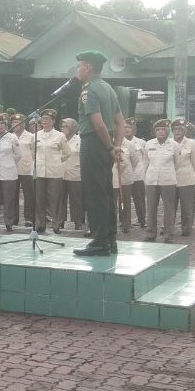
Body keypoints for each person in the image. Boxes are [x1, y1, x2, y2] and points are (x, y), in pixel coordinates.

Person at [73, 50, 126, 256]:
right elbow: (120, 122)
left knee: (95, 194)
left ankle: (99, 241)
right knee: (105, 193)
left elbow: (98, 124)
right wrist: (116, 146)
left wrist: (111, 147)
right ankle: (110, 239)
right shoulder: (108, 88)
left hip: (94, 143)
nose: (78, 70)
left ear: (88, 67)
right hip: (106, 145)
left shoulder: (89, 90)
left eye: (79, 66)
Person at [34, 109, 70, 234]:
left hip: (54, 172)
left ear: (53, 121)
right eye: (43, 119)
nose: (45, 122)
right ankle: (40, 223)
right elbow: (33, 152)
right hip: (39, 171)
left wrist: (57, 162)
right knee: (39, 199)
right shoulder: (36, 135)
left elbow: (67, 153)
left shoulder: (60, 136)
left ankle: (56, 224)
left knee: (55, 199)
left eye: (48, 120)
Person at [144, 119, 178, 243]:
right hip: (152, 180)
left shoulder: (174, 145)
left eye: (163, 130)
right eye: (158, 130)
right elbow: (145, 162)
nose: (160, 132)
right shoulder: (149, 144)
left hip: (168, 180)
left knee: (169, 208)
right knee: (151, 207)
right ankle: (150, 234)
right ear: (155, 132)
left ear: (168, 131)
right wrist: (146, 178)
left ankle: (168, 235)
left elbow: (177, 163)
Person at [171, 119, 195, 237]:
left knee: (186, 207)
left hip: (187, 179)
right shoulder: (168, 143)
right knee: (170, 206)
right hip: (171, 179)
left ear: (185, 131)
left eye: (180, 129)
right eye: (175, 129)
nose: (177, 132)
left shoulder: (191, 143)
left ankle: (186, 229)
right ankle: (169, 227)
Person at [112, 133, 139, 233]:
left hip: (126, 177)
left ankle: (125, 223)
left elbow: (135, 160)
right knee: (112, 201)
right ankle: (112, 224)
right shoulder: (110, 142)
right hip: (113, 177)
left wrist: (125, 169)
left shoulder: (129, 144)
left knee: (124, 202)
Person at [11, 113, 35, 227]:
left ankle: (29, 218)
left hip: (27, 169)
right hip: (13, 169)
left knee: (28, 195)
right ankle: (14, 218)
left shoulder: (31, 136)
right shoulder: (10, 136)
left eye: (18, 122)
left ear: (23, 124)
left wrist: (32, 166)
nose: (16, 125)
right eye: (14, 122)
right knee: (13, 195)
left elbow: (34, 153)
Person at [60, 118, 84, 231]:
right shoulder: (59, 138)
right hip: (60, 173)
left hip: (75, 174)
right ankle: (60, 220)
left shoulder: (80, 140)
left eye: (66, 126)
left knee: (76, 199)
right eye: (62, 126)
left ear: (72, 128)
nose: (63, 128)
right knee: (60, 199)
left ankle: (78, 221)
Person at [125, 119, 148, 228]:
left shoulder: (141, 142)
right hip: (124, 175)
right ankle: (124, 221)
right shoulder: (119, 141)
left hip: (138, 175)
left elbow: (145, 159)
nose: (127, 130)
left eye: (129, 128)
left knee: (139, 199)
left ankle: (142, 219)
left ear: (134, 130)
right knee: (124, 201)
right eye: (125, 127)